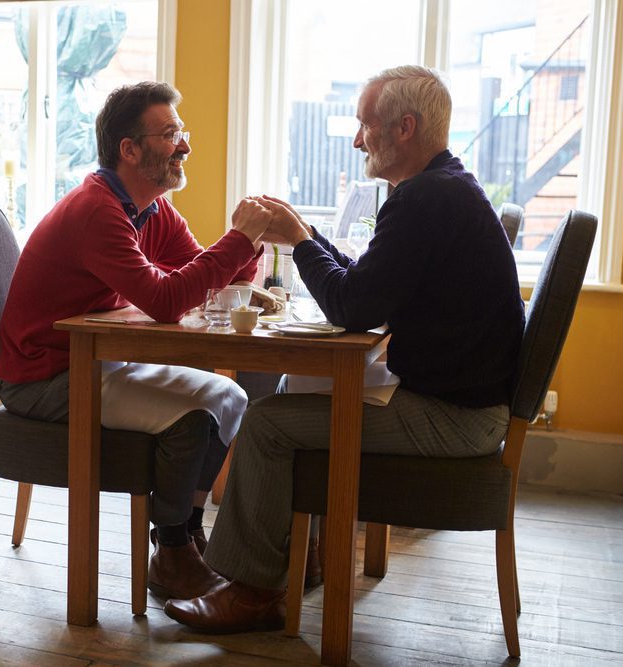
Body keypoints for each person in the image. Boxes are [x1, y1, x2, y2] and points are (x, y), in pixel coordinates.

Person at [164, 65, 526, 632]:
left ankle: (253, 592)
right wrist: (304, 235)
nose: (358, 140)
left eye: (366, 125)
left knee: (267, 424)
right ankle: (294, 558)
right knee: (291, 392)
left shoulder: (424, 200)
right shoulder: (444, 189)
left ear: (404, 128)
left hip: (455, 420)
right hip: (468, 405)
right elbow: (365, 286)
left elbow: (353, 308)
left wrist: (303, 239)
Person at [0, 81, 271, 601]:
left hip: (98, 365)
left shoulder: (152, 209)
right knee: (193, 418)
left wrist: (251, 245)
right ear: (130, 149)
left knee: (228, 396)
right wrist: (239, 241)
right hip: (44, 378)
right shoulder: (97, 211)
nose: (185, 145)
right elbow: (168, 301)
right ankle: (170, 551)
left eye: (180, 132)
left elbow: (199, 281)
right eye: (171, 134)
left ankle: (188, 537)